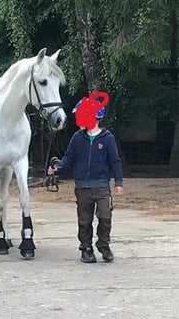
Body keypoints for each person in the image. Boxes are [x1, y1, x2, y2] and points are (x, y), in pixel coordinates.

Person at [48, 95, 124, 263]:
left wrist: (118, 182)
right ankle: (86, 247)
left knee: (105, 216)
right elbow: (69, 158)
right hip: (83, 186)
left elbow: (115, 161)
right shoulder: (77, 138)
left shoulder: (108, 138)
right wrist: (58, 167)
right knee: (84, 220)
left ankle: (103, 244)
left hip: (102, 185)